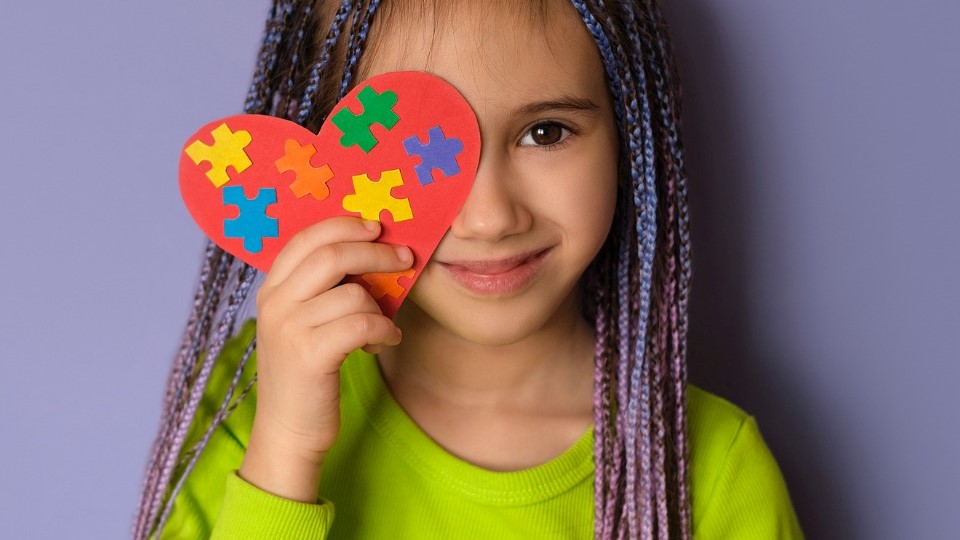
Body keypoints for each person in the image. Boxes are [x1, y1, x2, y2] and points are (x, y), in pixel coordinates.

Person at [133, 0, 805, 538]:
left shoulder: (708, 469)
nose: (489, 217)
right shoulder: (246, 405)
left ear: (628, 138)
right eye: (409, 154)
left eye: (545, 132)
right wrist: (286, 450)